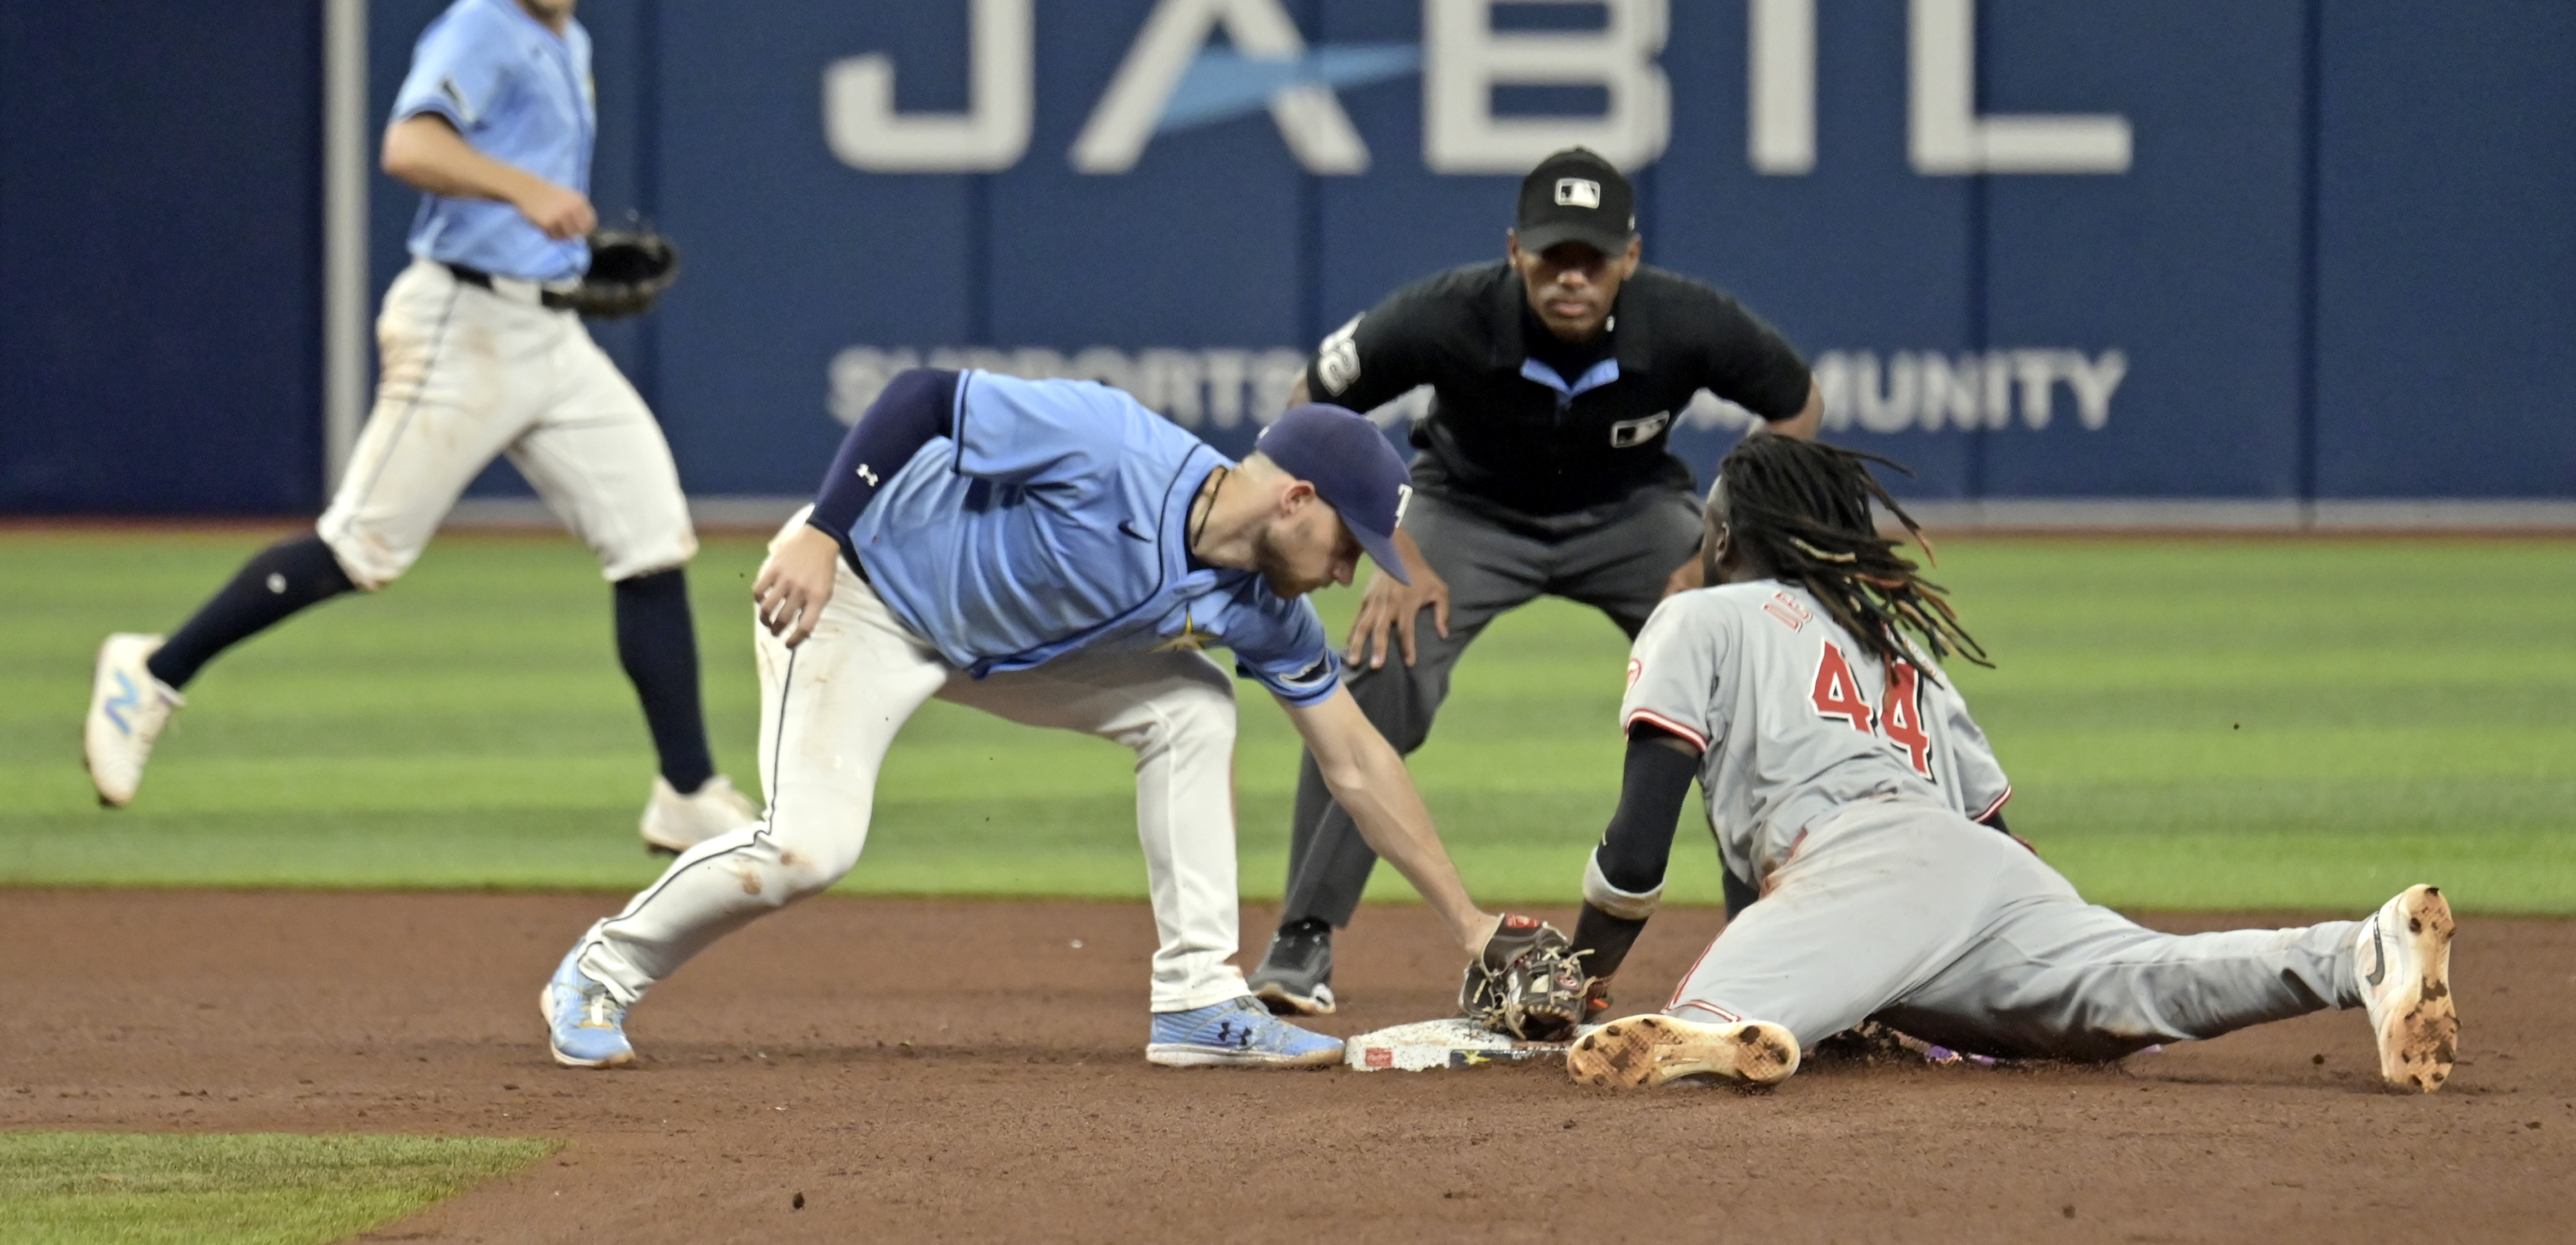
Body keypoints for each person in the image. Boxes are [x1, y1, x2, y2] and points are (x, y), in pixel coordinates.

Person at [538, 369, 1541, 1070]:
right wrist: (825, 533)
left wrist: (1469, 922)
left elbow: (1357, 760)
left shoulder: (1265, 608)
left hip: (989, 650)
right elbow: (921, 397)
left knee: (1191, 706)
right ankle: (599, 972)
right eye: (1348, 541)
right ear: (1296, 498)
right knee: (808, 848)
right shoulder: (1110, 445)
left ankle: (1197, 999)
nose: (1346, 569)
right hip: (857, 598)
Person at [78, 0, 757, 855]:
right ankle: (155, 670)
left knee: (652, 539)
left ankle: (687, 788)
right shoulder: (481, 29)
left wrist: (546, 243)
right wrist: (522, 193)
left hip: (544, 328)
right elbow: (411, 145)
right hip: (462, 327)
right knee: (361, 548)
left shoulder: (559, 36)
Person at [1556, 433, 2458, 1094]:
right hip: (1984, 870)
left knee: (1677, 1043)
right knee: (2143, 982)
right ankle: (2354, 954)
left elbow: (1637, 853)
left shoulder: (1700, 616)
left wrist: (1577, 974)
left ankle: (1726, 1032)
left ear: (1720, 541)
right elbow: (1990, 832)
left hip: (1853, 859)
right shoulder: (1896, 637)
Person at [1248, 146, 1826, 1015]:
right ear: (1515, 249)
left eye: (1590, 258)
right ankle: (1303, 938)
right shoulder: (1447, 314)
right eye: (1551, 255)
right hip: (1466, 513)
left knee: (1740, 661)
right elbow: (1308, 406)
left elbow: (1797, 403)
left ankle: (1763, 935)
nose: (1570, 276)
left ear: (1628, 259)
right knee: (1383, 659)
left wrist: (1720, 547)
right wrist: (1387, 539)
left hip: (1632, 516)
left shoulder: (1682, 321)